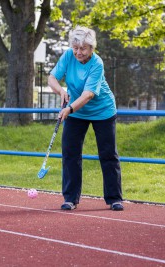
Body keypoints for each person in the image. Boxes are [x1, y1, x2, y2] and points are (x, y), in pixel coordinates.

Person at [48, 26, 124, 211]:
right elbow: (51, 78)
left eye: (82, 48)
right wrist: (61, 90)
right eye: (75, 47)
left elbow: (89, 94)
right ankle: (70, 199)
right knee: (70, 153)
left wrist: (70, 108)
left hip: (102, 111)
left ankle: (114, 199)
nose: (78, 52)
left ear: (91, 48)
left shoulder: (97, 63)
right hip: (76, 111)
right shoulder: (68, 56)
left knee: (108, 154)